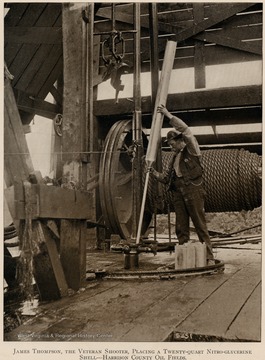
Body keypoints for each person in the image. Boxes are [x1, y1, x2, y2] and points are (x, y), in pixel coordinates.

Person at [150, 104, 215, 265]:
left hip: (193, 190)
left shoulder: (192, 149)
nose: (170, 146)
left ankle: (209, 257)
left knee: (200, 225)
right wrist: (152, 172)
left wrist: (167, 114)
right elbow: (165, 178)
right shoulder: (174, 158)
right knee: (181, 228)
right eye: (169, 144)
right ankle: (183, 259)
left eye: (172, 143)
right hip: (178, 193)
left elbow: (186, 130)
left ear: (180, 141)